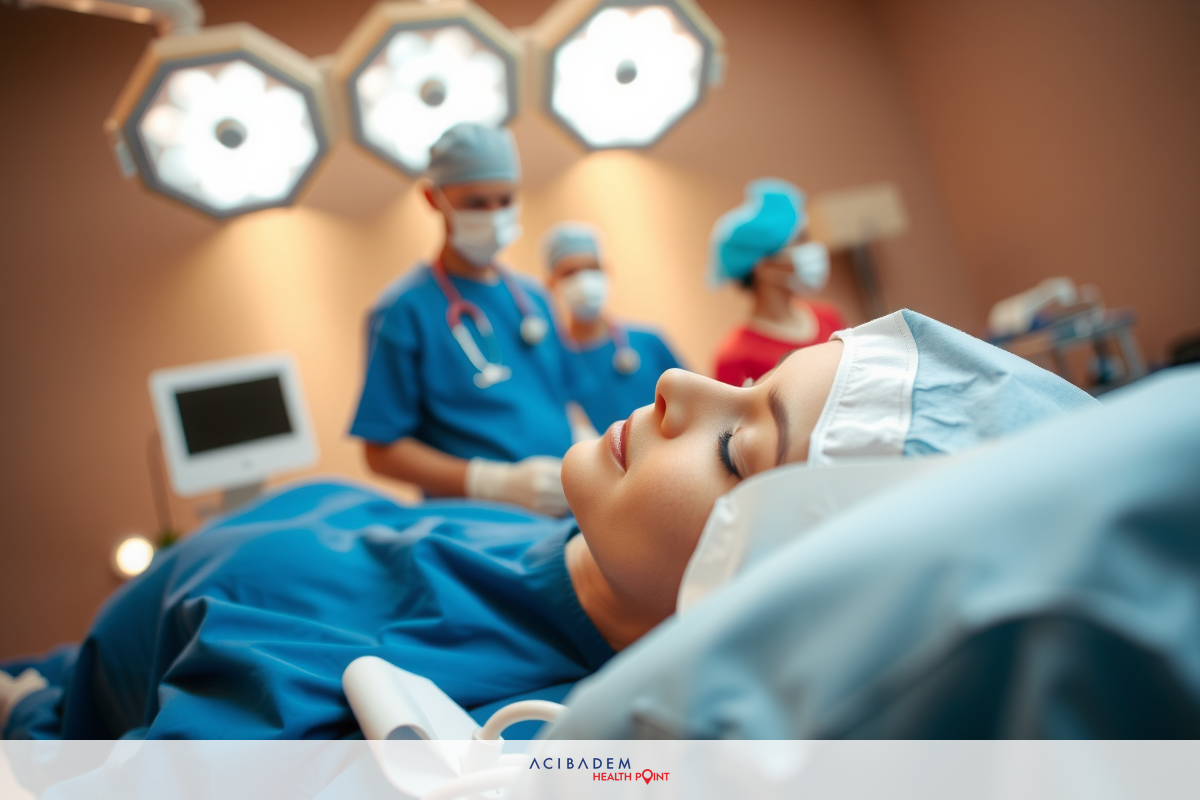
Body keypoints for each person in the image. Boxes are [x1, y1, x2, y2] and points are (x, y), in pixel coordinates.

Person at [2, 311, 1097, 739]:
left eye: (738, 448)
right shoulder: (564, 552)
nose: (677, 385)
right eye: (741, 387)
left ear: (774, 600)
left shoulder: (459, 714)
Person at [350, 124, 590, 517]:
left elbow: (566, 398)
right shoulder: (404, 311)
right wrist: (490, 483)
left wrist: (585, 444)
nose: (494, 215)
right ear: (433, 198)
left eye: (505, 200)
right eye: (476, 203)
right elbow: (381, 451)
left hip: (570, 509)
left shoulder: (535, 299)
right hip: (482, 527)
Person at [542, 223, 684, 430]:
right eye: (570, 272)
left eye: (592, 268)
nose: (584, 280)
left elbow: (693, 400)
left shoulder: (648, 341)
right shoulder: (553, 359)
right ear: (551, 284)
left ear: (607, 272)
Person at [710, 179, 847, 387]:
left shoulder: (829, 317)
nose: (813, 249)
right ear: (765, 267)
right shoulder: (735, 357)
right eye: (800, 240)